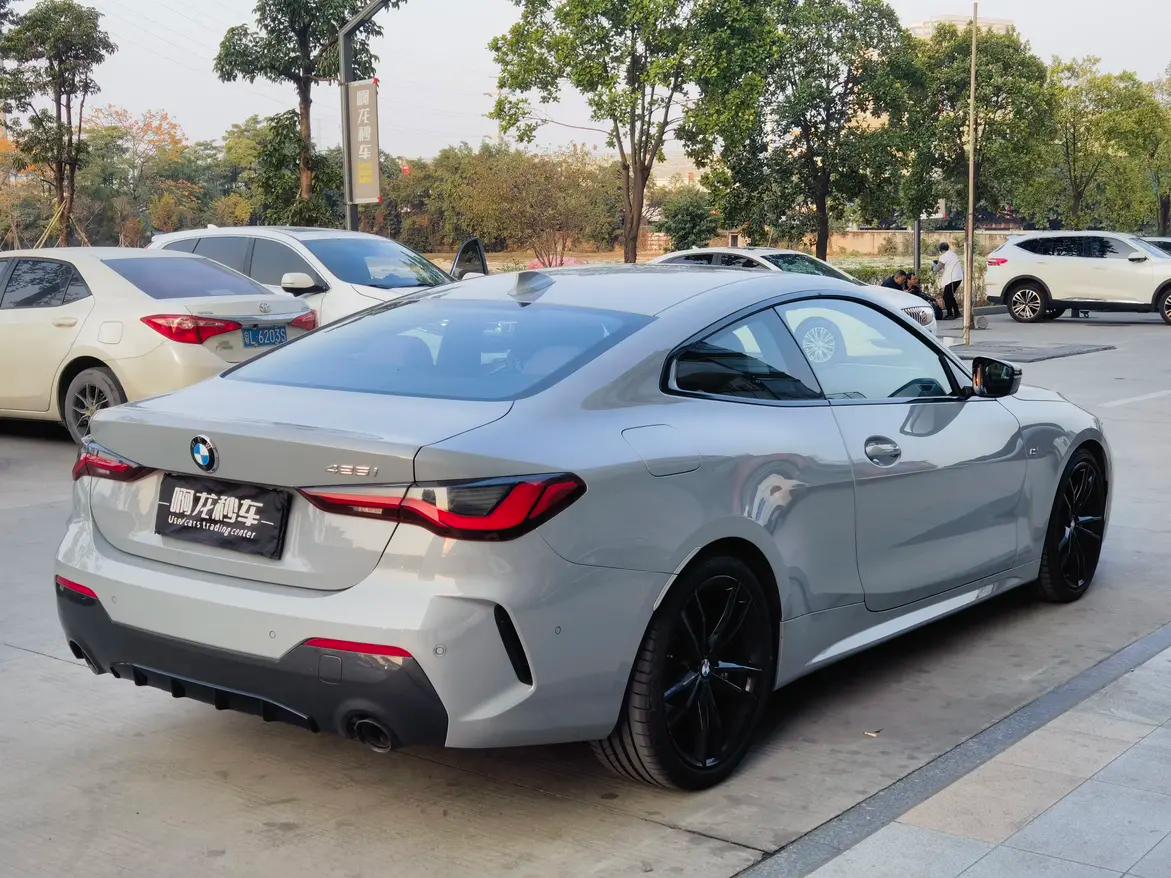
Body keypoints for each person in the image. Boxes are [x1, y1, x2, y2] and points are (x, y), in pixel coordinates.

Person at [932, 242, 964, 319]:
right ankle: (957, 312)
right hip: (958, 278)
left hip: (952, 279)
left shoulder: (943, 256)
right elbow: (945, 268)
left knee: (946, 296)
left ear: (940, 250)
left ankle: (950, 314)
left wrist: (933, 264)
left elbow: (936, 269)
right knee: (950, 295)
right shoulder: (953, 254)